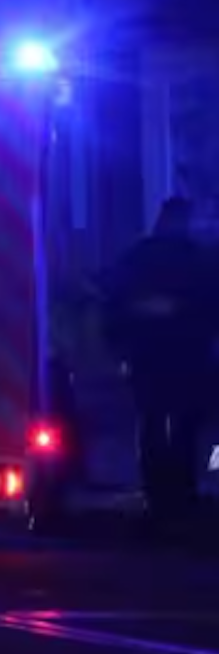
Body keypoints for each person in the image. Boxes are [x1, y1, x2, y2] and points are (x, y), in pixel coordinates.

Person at [102, 197, 217, 526]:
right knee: (184, 425)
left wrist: (120, 346)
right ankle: (181, 490)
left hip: (148, 357)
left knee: (152, 420)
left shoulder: (139, 257)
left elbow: (115, 303)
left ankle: (156, 491)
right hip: (187, 357)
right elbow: (211, 305)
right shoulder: (196, 259)